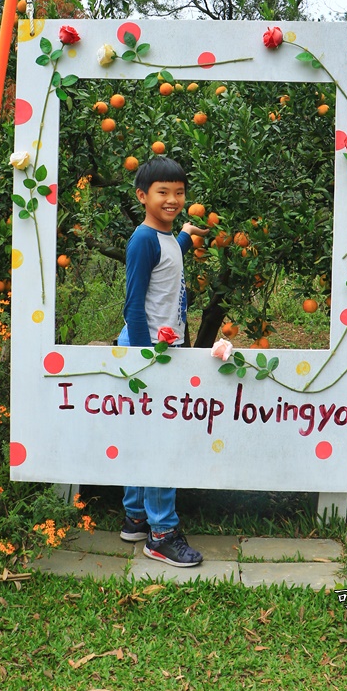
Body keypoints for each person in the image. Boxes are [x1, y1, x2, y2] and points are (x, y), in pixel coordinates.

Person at [117, 156, 207, 567]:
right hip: (148, 348)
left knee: (143, 434)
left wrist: (186, 236)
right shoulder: (142, 240)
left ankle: (136, 516)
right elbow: (133, 305)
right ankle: (163, 533)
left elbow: (168, 255)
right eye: (162, 193)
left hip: (158, 347)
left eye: (179, 193)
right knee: (160, 441)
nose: (173, 200)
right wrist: (142, 360)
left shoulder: (164, 236)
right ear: (142, 196)